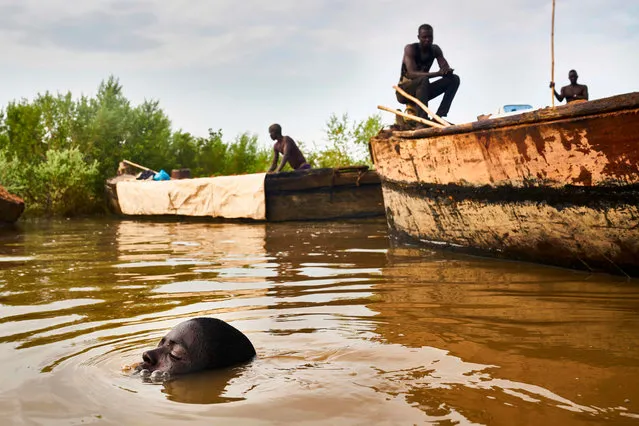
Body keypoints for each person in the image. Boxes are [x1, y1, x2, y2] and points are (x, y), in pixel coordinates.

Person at [396, 24, 460, 122]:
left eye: (430, 37)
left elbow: (444, 66)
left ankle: (438, 117)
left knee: (454, 79)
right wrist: (438, 73)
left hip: (423, 91)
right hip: (404, 92)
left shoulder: (435, 49)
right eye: (424, 37)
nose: (427, 40)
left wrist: (447, 70)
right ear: (418, 37)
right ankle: (422, 120)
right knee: (423, 79)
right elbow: (411, 74)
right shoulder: (410, 49)